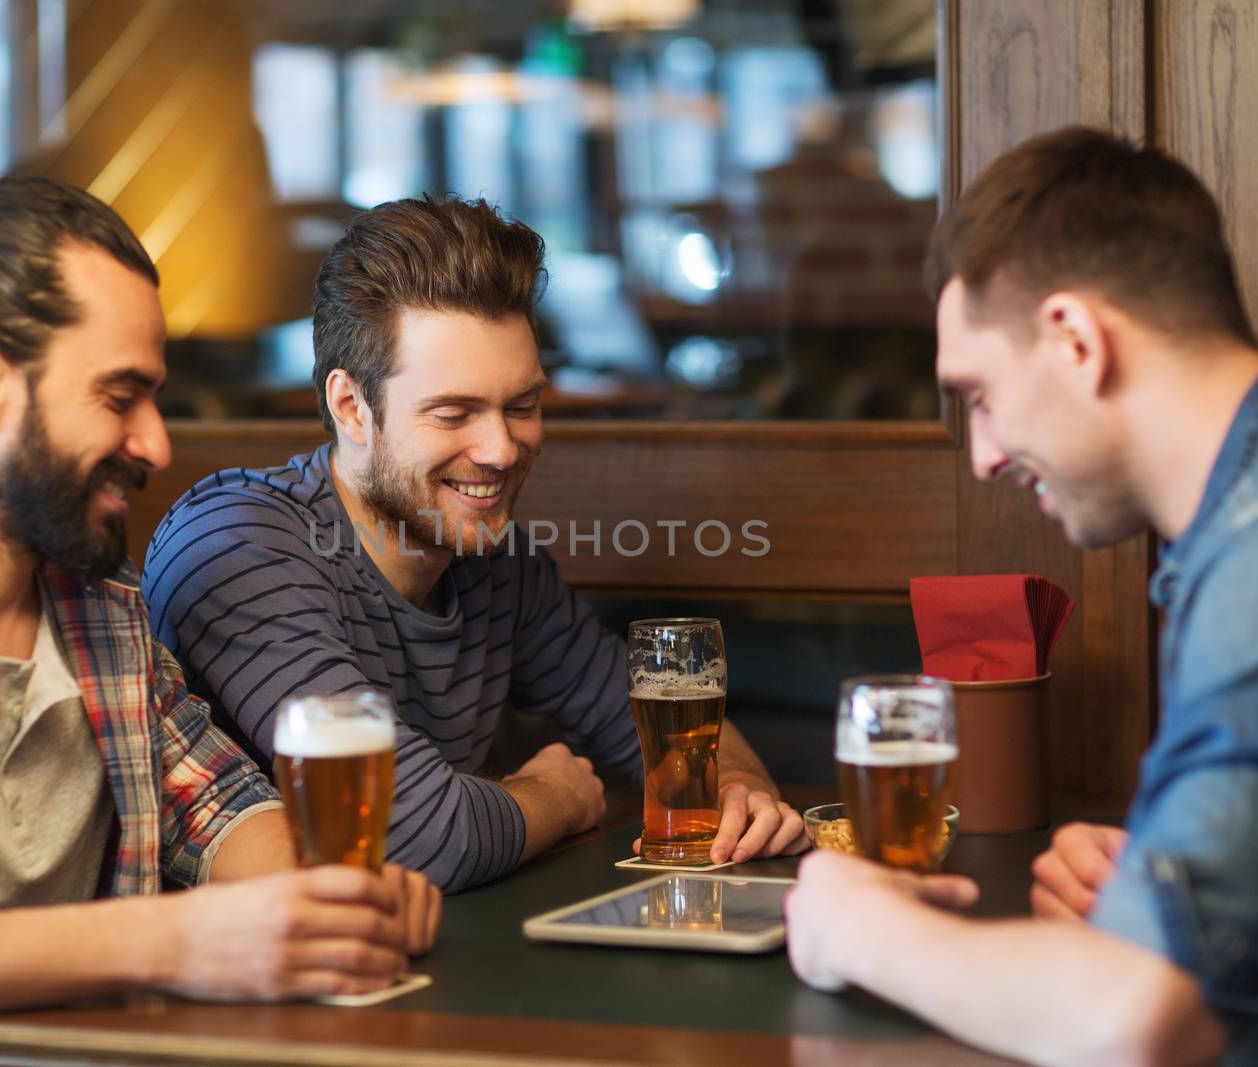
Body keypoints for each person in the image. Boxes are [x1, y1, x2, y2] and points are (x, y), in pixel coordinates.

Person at [0, 146, 439, 1066]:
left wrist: (330, 901)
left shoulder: (104, 615)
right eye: (120, 396)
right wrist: (181, 939)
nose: (152, 440)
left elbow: (221, 807)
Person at [784, 125, 1258, 1065]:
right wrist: (1176, 887)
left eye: (982, 395)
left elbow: (1143, 1019)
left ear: (1076, 341)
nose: (984, 454)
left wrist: (858, 928)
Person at [142, 196, 806, 894]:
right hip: (236, 984)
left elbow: (653, 730)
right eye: (454, 413)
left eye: (521, 406)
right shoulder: (235, 546)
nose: (500, 449)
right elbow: (417, 839)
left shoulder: (496, 560)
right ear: (351, 408)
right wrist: (554, 795)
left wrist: (737, 790)